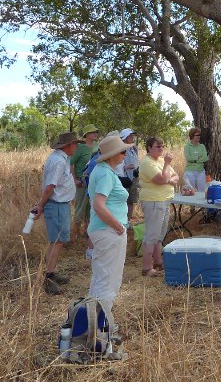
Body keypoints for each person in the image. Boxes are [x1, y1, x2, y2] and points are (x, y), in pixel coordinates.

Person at [87, 135, 130, 320]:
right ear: (112, 155)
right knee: (109, 280)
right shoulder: (105, 173)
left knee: (101, 277)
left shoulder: (103, 170)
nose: (125, 155)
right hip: (109, 231)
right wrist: (118, 227)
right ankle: (101, 326)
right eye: (123, 152)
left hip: (103, 230)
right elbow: (99, 205)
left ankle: (93, 322)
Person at [32, 131, 79, 295]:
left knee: (56, 241)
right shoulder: (58, 161)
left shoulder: (62, 159)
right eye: (75, 144)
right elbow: (50, 187)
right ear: (68, 146)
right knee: (57, 241)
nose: (77, 146)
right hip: (57, 205)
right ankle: (48, 278)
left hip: (60, 205)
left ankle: (51, 272)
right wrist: (41, 205)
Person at [138, 137, 180, 277]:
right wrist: (167, 167)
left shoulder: (161, 161)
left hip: (164, 200)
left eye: (162, 146)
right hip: (153, 201)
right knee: (152, 234)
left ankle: (158, 261)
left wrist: (168, 178)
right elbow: (161, 179)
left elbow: (176, 176)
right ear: (149, 147)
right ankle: (146, 267)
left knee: (160, 233)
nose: (161, 148)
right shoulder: (147, 163)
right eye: (158, 146)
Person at [71, 124, 100, 258]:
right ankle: (75, 236)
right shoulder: (81, 148)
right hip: (82, 183)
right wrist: (75, 179)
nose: (95, 134)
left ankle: (87, 234)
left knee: (90, 209)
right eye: (93, 132)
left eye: (96, 132)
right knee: (79, 208)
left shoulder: (98, 146)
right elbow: (72, 164)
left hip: (93, 183)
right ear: (87, 134)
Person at [118, 128, 139, 225]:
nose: (132, 137)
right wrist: (126, 167)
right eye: (130, 136)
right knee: (123, 201)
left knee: (131, 201)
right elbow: (117, 166)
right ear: (125, 137)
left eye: (132, 136)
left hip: (134, 178)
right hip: (124, 179)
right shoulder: (120, 149)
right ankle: (122, 222)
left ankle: (128, 221)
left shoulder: (134, 148)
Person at [182, 127, 209, 192]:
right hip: (190, 172)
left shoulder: (202, 146)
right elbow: (188, 158)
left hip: (201, 171)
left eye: (199, 135)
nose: (199, 136)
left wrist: (194, 160)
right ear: (192, 136)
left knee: (202, 191)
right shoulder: (187, 147)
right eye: (197, 135)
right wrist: (198, 158)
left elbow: (205, 158)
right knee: (191, 191)